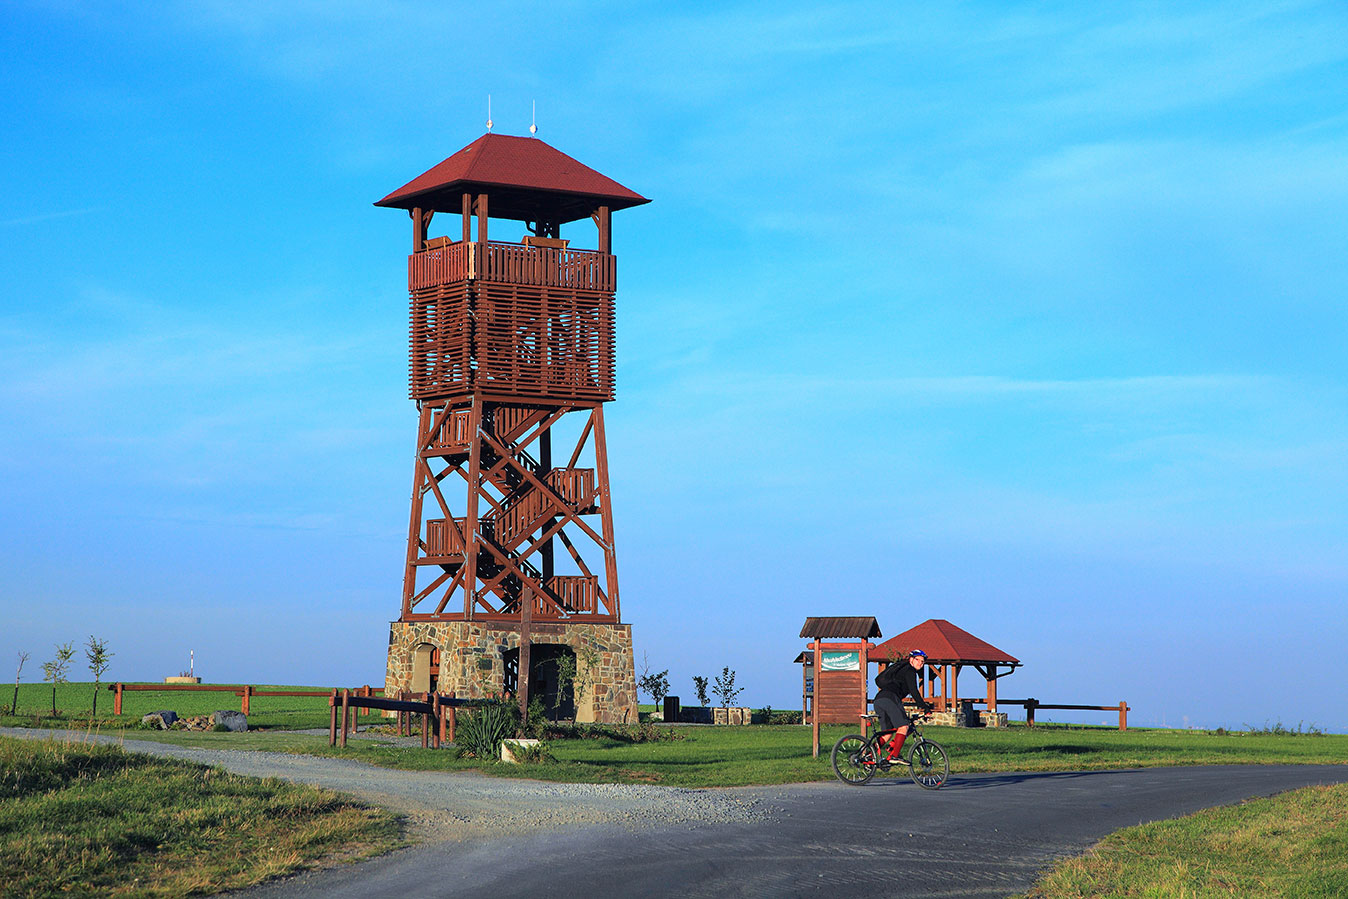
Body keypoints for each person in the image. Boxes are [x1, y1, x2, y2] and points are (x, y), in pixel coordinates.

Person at [872, 650, 933, 761]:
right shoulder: (910, 671)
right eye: (917, 660)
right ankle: (894, 756)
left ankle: (868, 754)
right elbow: (914, 691)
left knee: (887, 734)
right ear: (911, 660)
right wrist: (925, 708)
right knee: (904, 726)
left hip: (879, 700)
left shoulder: (901, 669)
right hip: (890, 698)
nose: (920, 663)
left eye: (922, 661)